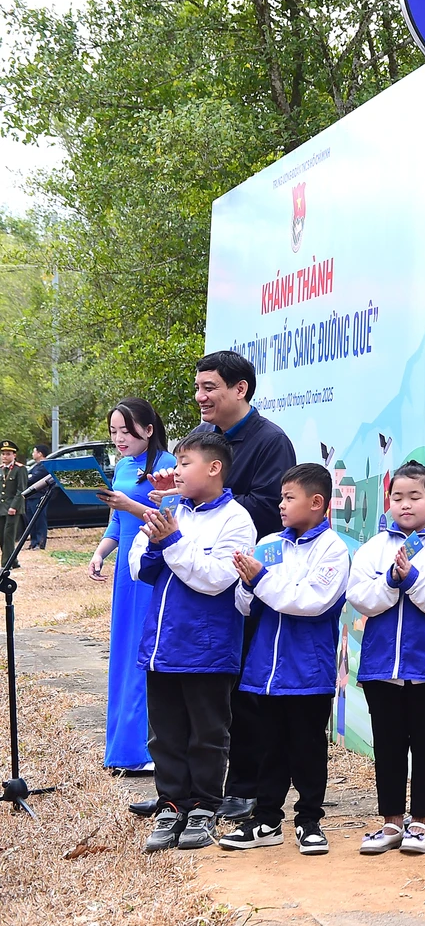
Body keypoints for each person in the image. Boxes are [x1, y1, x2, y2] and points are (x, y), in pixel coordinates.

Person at [148, 350, 296, 823]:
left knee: (239, 696)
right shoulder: (203, 440)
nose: (200, 397)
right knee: (185, 709)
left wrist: (205, 503)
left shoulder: (271, 440)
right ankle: (182, 794)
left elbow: (271, 509)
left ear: (240, 389)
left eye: (209, 387)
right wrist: (182, 494)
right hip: (189, 581)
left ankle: (240, 789)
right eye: (197, 388)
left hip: (243, 580)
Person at [130, 432, 256, 852]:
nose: (175, 470)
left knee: (207, 732)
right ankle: (171, 804)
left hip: (206, 648)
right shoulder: (170, 508)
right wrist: (159, 525)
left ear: (214, 468)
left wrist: (171, 540)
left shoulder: (236, 519)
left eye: (184, 463)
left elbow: (216, 578)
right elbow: (137, 565)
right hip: (162, 644)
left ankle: (203, 805)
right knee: (163, 733)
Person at [220, 463, 350, 856]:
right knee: (268, 748)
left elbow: (309, 601)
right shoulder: (269, 542)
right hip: (265, 670)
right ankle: (266, 820)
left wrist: (260, 580)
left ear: (317, 503)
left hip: (308, 671)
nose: (280, 505)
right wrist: (247, 584)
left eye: (288, 498)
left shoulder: (334, 549)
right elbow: (246, 606)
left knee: (308, 748)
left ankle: (309, 820)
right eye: (280, 497)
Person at [347, 461, 425, 856]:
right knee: (389, 745)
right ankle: (391, 822)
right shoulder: (373, 548)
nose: (405, 505)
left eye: (415, 496)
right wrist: (389, 581)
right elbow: (359, 596)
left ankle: (422, 822)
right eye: (397, 497)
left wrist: (413, 579)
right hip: (383, 667)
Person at [90, 399, 175, 772]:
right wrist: (100, 553)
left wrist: (129, 505)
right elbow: (115, 520)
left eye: (126, 431)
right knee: (123, 652)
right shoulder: (123, 466)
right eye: (113, 432)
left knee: (145, 651)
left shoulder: (168, 466)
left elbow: (170, 518)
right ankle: (123, 749)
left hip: (151, 569)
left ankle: (146, 749)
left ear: (149, 429)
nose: (119, 439)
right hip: (125, 572)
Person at [0, 440, 24, 567]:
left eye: (8, 454)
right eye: (3, 454)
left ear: (14, 455)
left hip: (12, 508)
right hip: (1, 508)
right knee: (1, 537)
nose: (5, 456)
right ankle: (13, 561)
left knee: (8, 537)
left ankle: (5, 564)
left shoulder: (19, 469)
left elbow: (21, 490)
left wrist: (14, 506)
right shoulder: (1, 470)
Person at [24, 443, 51, 550]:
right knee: (31, 520)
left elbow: (32, 479)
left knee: (39, 520)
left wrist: (28, 477)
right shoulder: (36, 465)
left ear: (40, 453)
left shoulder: (45, 465)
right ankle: (33, 542)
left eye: (34, 451)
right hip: (31, 496)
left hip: (39, 495)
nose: (33, 454)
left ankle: (40, 543)